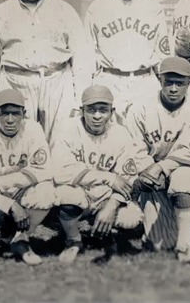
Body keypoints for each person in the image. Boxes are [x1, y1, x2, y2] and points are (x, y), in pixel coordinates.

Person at [0, 0, 94, 142]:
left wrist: (80, 100)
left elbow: (82, 59)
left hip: (56, 82)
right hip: (16, 81)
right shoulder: (0, 13)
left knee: (61, 141)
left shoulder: (65, 10)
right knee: (19, 143)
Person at [52, 85, 153, 264]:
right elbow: (59, 172)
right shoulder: (68, 128)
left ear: (112, 112)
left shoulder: (120, 134)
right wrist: (108, 177)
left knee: (131, 217)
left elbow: (128, 179)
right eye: (91, 110)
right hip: (78, 192)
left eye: (103, 110)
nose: (97, 116)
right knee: (64, 196)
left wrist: (111, 207)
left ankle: (107, 236)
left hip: (105, 196)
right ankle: (73, 240)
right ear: (82, 111)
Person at [124, 57, 190, 263]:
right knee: (160, 244)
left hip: (182, 166)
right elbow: (133, 148)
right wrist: (150, 169)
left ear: (189, 83)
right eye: (168, 82)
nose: (173, 88)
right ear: (160, 80)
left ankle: (184, 245)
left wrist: (161, 167)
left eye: (179, 83)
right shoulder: (141, 107)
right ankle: (185, 216)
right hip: (150, 173)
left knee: (185, 179)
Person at [0, 89, 56, 265]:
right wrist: (10, 205)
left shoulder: (33, 129)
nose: (10, 119)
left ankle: (20, 238)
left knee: (46, 192)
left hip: (17, 192)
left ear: (24, 114)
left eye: (15, 113)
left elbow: (43, 169)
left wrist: (4, 183)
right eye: (5, 113)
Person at [84, 0, 169, 123]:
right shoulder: (98, 7)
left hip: (144, 79)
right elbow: (87, 54)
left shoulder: (153, 7)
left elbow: (163, 52)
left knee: (147, 131)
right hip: (109, 78)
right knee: (109, 134)